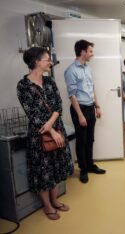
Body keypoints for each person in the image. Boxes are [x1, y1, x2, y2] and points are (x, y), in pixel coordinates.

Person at [17, 47, 73, 220]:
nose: (50, 62)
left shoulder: (50, 81)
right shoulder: (23, 86)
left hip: (55, 129)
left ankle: (55, 200)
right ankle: (47, 206)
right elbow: (32, 113)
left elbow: (58, 105)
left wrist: (54, 127)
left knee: (56, 168)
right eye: (47, 59)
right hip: (39, 135)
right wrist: (51, 129)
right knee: (43, 171)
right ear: (36, 62)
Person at [64, 39, 105, 184]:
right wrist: (80, 115)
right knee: (82, 140)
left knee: (90, 139)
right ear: (83, 52)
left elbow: (91, 88)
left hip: (90, 107)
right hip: (79, 108)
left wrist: (97, 106)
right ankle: (83, 169)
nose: (92, 54)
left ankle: (90, 165)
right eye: (90, 51)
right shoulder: (71, 70)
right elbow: (72, 95)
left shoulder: (88, 68)